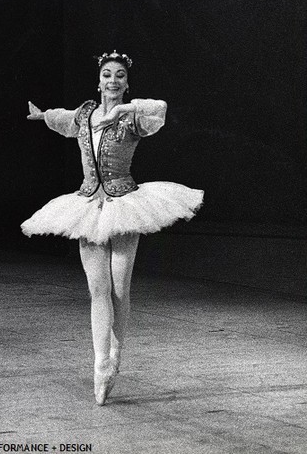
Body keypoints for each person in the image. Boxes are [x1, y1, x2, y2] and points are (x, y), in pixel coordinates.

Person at [22, 51, 204, 405]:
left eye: (120, 76)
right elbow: (62, 118)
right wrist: (43, 114)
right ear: (99, 80)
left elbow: (161, 110)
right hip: (88, 204)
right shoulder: (85, 113)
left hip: (124, 204)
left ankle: (116, 354)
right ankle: (100, 363)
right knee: (97, 290)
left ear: (126, 83)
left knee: (120, 288)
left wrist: (124, 109)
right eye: (107, 75)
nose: (113, 81)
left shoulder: (133, 117)